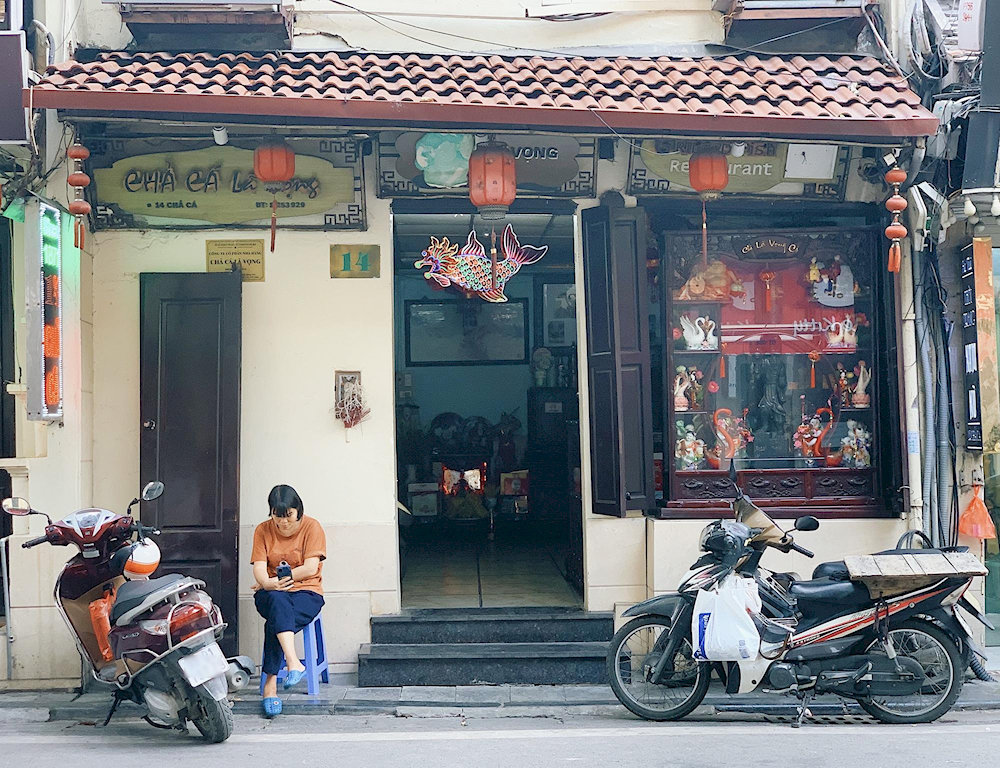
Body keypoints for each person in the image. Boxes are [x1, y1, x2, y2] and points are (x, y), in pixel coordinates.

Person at [251, 484, 326, 718]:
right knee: (276, 599)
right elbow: (260, 571)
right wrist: (267, 583)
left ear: (298, 510)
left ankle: (270, 687)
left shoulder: (312, 527)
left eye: (288, 516)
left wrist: (280, 579)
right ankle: (294, 662)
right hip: (271, 594)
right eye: (277, 515)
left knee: (276, 618)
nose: (283, 522)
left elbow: (311, 568)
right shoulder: (262, 531)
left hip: (307, 593)